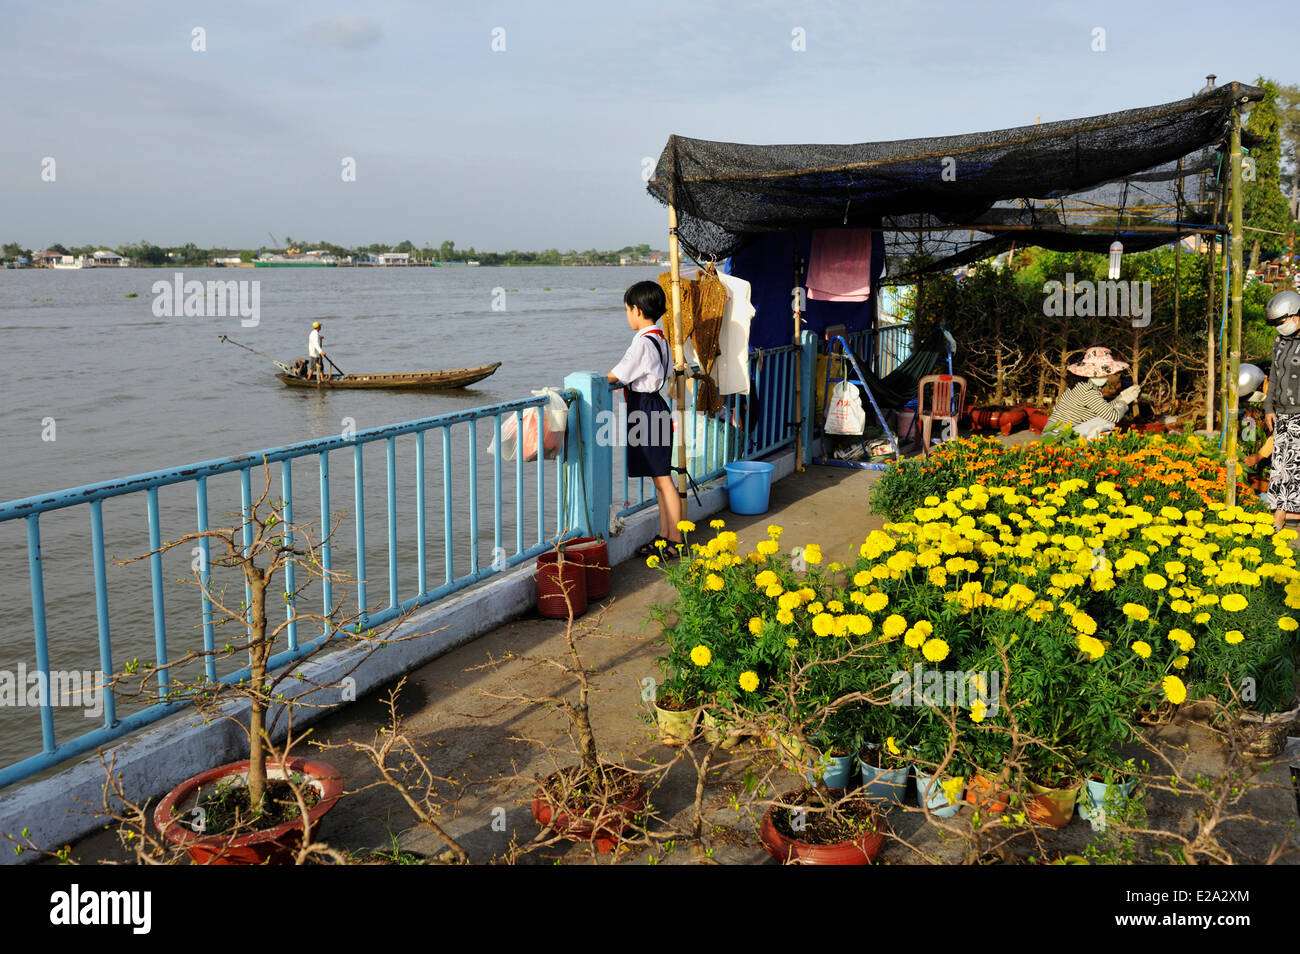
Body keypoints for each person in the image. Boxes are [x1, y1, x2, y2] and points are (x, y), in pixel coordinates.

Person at [606, 281, 683, 557]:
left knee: (663, 479)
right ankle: (665, 536)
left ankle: (676, 540)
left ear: (637, 310)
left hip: (646, 410)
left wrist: (593, 382)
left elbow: (617, 375)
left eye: (627, 309)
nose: (627, 315)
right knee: (660, 478)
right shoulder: (660, 339)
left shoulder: (641, 343)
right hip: (655, 405)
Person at [1043, 346, 1142, 439]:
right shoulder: (1088, 391)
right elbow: (1113, 416)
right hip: (1058, 436)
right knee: (1106, 422)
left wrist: (1121, 397)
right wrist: (1124, 401)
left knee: (1104, 418)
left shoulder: (1083, 385)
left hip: (1057, 433)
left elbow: (1103, 410)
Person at [1262, 290, 1300, 528]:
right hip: (1283, 413)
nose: (1278, 327)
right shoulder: (1280, 341)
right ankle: (1280, 516)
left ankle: (1283, 517)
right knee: (1281, 465)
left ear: (1296, 315)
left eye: (1281, 321)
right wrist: (1268, 407)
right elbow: (1273, 376)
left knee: (1294, 467)